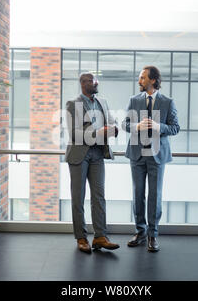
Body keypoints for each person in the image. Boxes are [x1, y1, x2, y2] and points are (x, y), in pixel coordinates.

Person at [122, 66, 180, 252]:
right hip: (137, 155)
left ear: (153, 80)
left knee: (155, 196)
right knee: (137, 194)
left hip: (157, 156)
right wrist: (136, 126)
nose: (139, 81)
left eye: (142, 78)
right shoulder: (133, 100)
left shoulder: (168, 102)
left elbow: (175, 128)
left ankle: (153, 235)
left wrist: (159, 126)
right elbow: (125, 124)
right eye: (139, 78)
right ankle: (140, 232)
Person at [65, 72, 120, 253]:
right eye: (92, 80)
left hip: (97, 154)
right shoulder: (73, 104)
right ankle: (81, 238)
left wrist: (114, 129)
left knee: (99, 196)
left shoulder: (102, 102)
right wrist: (99, 133)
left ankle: (100, 236)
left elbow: (111, 123)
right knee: (78, 198)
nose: (95, 83)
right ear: (83, 83)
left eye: (96, 80)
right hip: (79, 155)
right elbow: (74, 134)